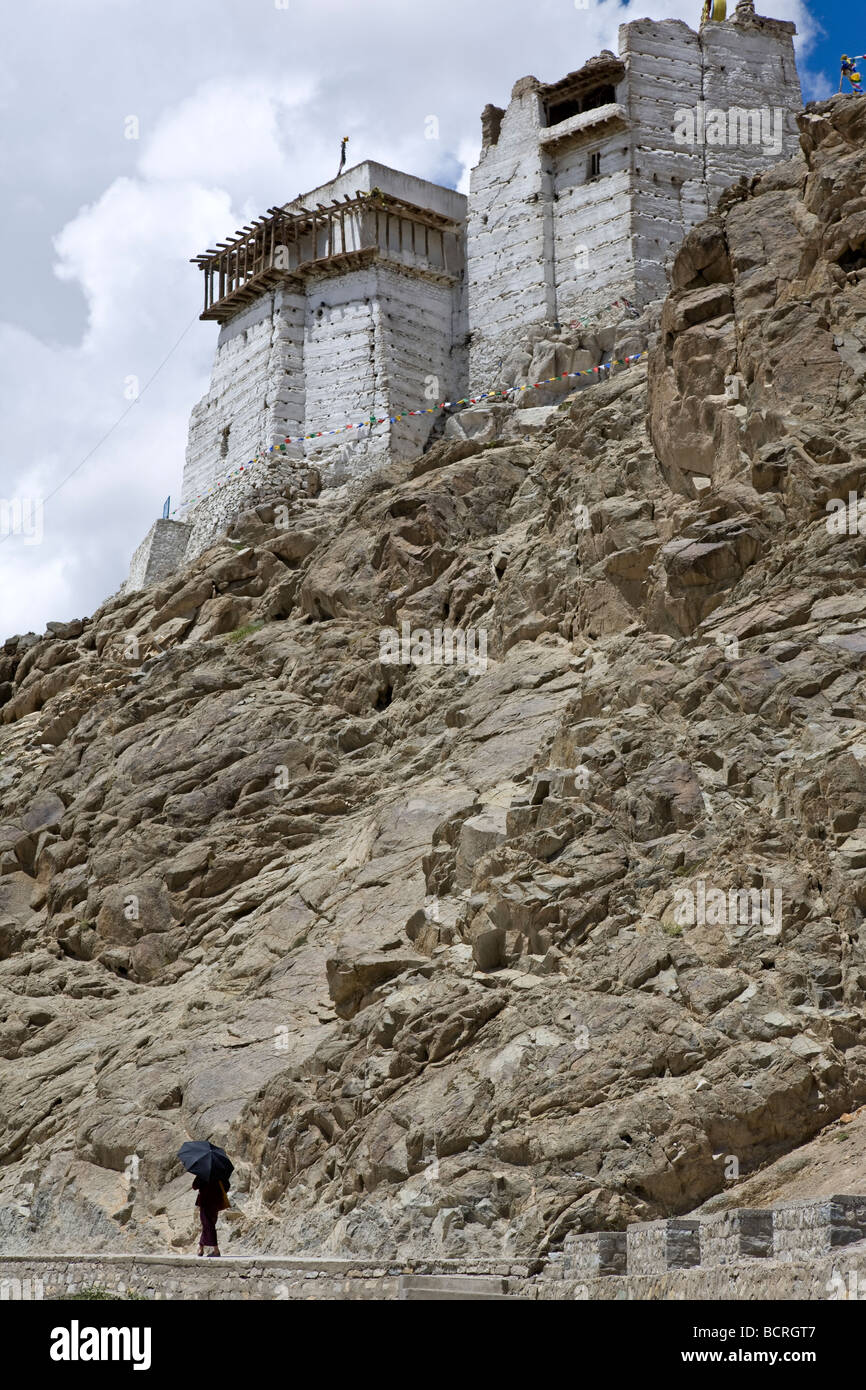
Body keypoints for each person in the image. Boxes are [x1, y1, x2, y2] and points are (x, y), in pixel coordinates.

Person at [193, 1173, 229, 1257]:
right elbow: (227, 1186)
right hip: (216, 1202)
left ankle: (216, 1250)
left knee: (208, 1225)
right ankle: (201, 1247)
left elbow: (194, 1186)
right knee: (208, 1224)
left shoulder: (203, 1173)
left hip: (205, 1202)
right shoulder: (220, 1174)